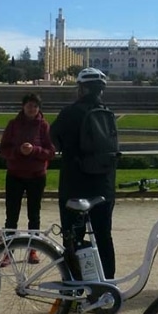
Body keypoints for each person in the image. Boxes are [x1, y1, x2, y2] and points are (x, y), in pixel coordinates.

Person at [49, 67, 118, 279]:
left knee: (73, 237)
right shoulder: (108, 114)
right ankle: (107, 282)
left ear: (81, 89)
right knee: (103, 236)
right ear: (100, 91)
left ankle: (75, 282)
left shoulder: (69, 113)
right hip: (104, 185)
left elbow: (54, 139)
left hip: (75, 184)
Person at [0, 93, 55, 264]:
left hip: (36, 176)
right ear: (23, 107)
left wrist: (35, 150)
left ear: (39, 108)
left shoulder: (44, 126)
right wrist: (18, 151)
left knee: (34, 215)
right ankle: (8, 251)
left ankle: (33, 250)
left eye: (35, 106)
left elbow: (51, 151)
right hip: (15, 175)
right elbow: (3, 149)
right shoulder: (13, 125)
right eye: (29, 105)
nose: (32, 109)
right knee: (11, 216)